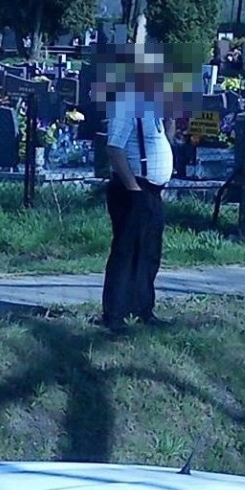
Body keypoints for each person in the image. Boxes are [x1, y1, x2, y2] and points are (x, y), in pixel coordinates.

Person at [100, 42, 175, 333]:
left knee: (149, 252)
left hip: (152, 190)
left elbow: (162, 141)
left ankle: (143, 309)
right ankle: (115, 314)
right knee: (126, 251)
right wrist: (133, 189)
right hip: (133, 190)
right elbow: (114, 149)